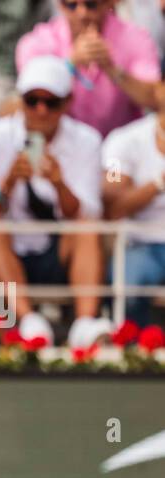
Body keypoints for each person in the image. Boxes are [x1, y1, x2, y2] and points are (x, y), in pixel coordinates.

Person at [0, 55, 104, 347]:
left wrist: (60, 184)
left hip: (55, 253)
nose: (40, 110)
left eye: (50, 102)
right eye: (31, 100)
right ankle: (28, 321)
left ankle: (85, 325)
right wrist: (9, 182)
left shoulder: (86, 141)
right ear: (20, 100)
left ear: (66, 103)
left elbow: (87, 212)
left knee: (87, 230)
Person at [16, 0, 160, 140]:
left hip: (118, 153)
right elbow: (33, 101)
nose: (82, 13)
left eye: (91, 4)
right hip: (61, 147)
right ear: (60, 5)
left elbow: (153, 100)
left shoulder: (136, 37)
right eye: (71, 5)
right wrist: (70, 65)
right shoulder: (37, 41)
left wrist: (112, 69)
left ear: (108, 3)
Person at [102, 82, 165, 328]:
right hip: (138, 244)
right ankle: (133, 357)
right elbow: (114, 204)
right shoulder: (123, 141)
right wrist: (158, 184)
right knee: (128, 287)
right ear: (159, 89)